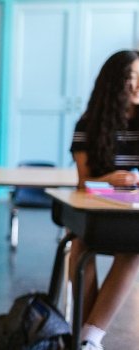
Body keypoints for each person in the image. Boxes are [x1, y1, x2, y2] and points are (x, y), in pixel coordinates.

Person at [69, 49, 139, 350]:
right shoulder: (88, 124)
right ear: (114, 83)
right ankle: (87, 335)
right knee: (79, 244)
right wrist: (108, 179)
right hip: (96, 211)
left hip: (132, 213)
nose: (137, 85)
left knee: (134, 250)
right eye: (131, 78)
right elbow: (83, 183)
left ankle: (89, 337)